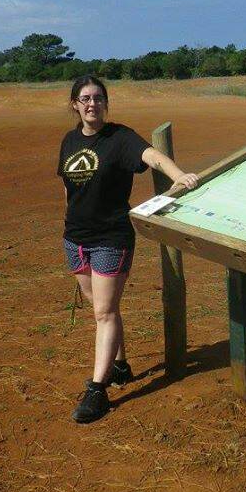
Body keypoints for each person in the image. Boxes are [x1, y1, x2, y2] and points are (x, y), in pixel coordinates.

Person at [57, 75, 198, 423]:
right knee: (101, 309)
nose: (93, 104)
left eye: (99, 98)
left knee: (104, 312)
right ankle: (119, 366)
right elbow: (67, 187)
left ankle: (97, 390)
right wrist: (70, 222)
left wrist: (179, 175)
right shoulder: (69, 140)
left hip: (110, 238)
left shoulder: (119, 137)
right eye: (86, 98)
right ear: (75, 104)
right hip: (75, 238)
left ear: (106, 103)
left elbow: (152, 156)